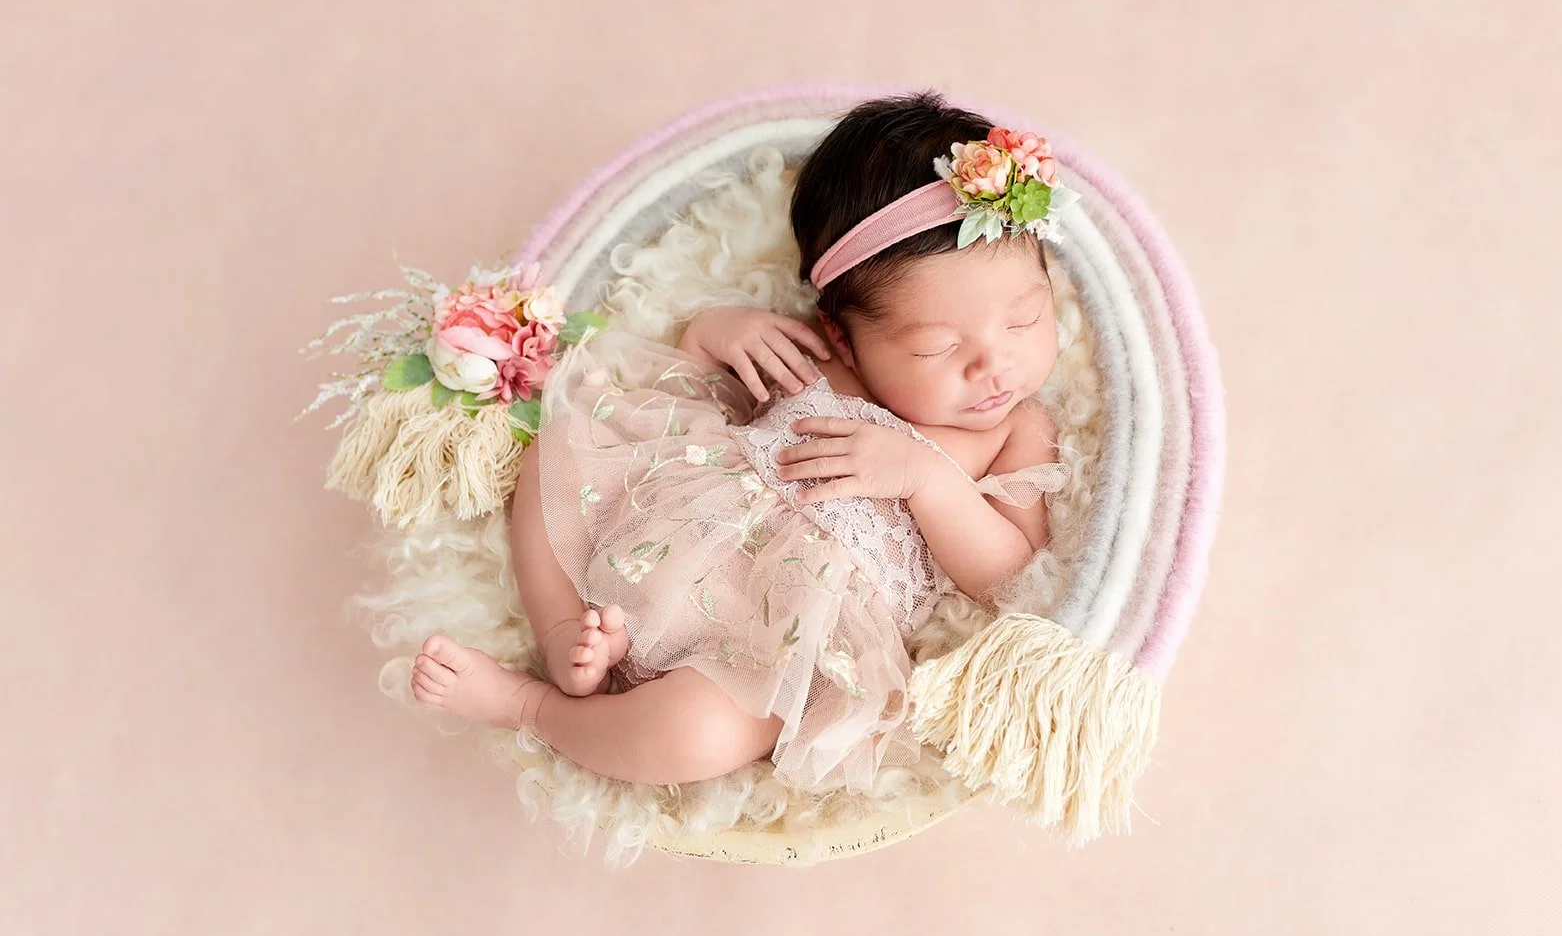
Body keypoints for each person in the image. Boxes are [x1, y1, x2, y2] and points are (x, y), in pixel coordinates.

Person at [408, 92, 1073, 792]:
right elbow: (691, 392)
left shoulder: (1013, 429)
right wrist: (712, 332)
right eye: (938, 346)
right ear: (847, 333)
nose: (993, 365)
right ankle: (567, 639)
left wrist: (927, 478)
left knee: (694, 734)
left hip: (783, 643)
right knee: (560, 450)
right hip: (675, 538)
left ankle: (529, 705)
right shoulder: (817, 358)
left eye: (1025, 320)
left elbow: (1007, 574)